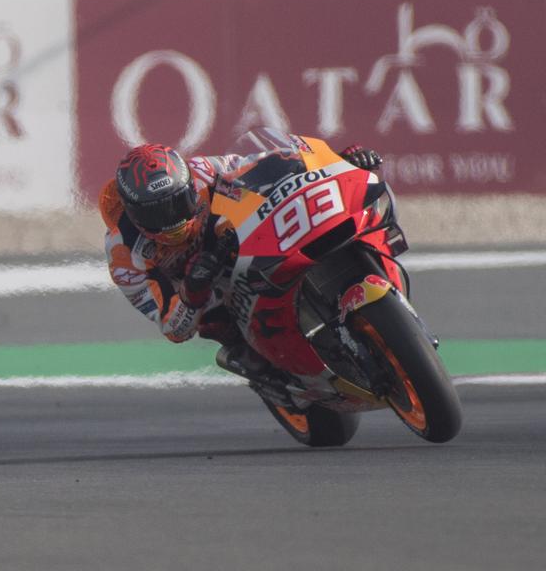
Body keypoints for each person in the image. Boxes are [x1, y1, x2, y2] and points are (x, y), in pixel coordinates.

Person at [98, 141, 383, 390]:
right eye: (156, 212)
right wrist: (194, 290)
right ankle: (272, 374)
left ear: (187, 184)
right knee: (216, 324)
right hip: (205, 293)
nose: (170, 219)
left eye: (177, 202)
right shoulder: (124, 254)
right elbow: (174, 328)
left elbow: (278, 163)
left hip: (242, 242)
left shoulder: (204, 172)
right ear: (133, 213)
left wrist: (337, 162)